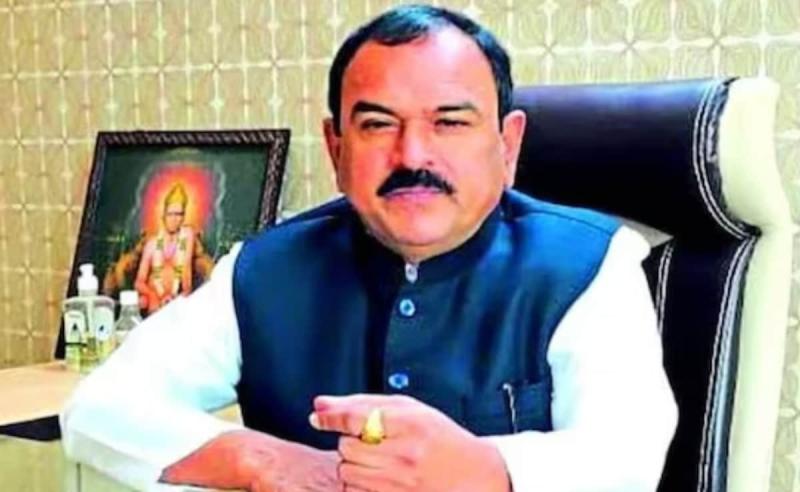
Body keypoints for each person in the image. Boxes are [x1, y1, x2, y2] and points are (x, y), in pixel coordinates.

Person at [61, 5, 677, 491]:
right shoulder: (265, 270)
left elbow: (628, 457)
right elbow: (99, 409)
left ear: (507, 144)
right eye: (378, 124)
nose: (413, 155)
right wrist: (265, 460)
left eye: (450, 122)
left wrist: (486, 469)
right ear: (337, 148)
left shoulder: (589, 265)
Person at [134, 183, 196, 315]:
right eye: (170, 214)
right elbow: (139, 282)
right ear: (163, 216)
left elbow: (186, 273)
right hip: (154, 298)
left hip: (175, 298)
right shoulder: (152, 244)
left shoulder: (186, 236)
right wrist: (152, 295)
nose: (174, 219)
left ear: (183, 217)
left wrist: (181, 298)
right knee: (142, 302)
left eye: (179, 214)